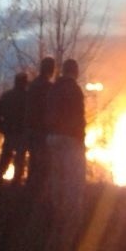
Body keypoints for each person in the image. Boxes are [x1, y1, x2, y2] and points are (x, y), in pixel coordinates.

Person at [46, 58, 86, 213]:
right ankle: (71, 210)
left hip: (53, 137)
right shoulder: (75, 89)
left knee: (57, 173)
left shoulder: (54, 88)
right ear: (75, 72)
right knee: (72, 175)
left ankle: (56, 207)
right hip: (70, 138)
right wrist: (81, 139)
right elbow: (78, 116)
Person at [25, 56, 56, 198]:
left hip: (31, 130)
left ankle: (29, 194)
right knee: (43, 165)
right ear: (51, 69)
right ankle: (39, 196)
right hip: (42, 132)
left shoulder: (32, 86)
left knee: (34, 163)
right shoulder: (48, 88)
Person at [0, 72, 28, 185]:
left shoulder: (6, 96)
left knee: (5, 159)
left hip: (9, 133)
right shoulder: (27, 97)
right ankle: (15, 185)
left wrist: (2, 128)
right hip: (21, 133)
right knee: (19, 161)